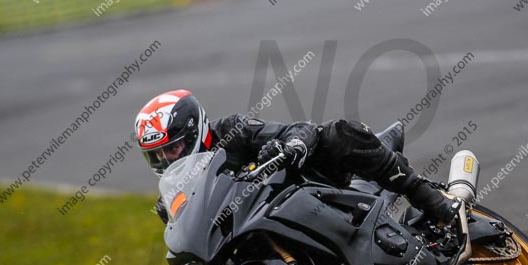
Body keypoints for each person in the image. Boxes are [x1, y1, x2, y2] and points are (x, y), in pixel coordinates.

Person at [134, 89, 460, 225]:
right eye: (157, 155)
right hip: (265, 225)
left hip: (314, 188)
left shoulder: (232, 131)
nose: (167, 158)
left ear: (195, 132)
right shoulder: (172, 200)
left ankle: (428, 197)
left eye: (172, 147)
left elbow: (301, 129)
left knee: (337, 132)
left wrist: (288, 148)